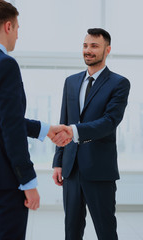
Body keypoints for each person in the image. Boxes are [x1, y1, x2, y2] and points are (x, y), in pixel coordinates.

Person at [0, 1, 71, 239]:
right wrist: (28, 182)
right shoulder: (5, 64)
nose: (18, 35)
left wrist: (45, 129)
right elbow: (10, 128)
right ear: (9, 26)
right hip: (2, 184)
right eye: (19, 28)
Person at [52, 28, 130, 240]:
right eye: (85, 45)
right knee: (71, 232)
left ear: (108, 50)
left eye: (94, 46)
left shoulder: (119, 83)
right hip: (71, 169)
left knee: (105, 231)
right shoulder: (71, 82)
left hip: (99, 170)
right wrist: (58, 162)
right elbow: (64, 122)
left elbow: (109, 122)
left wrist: (75, 131)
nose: (88, 50)